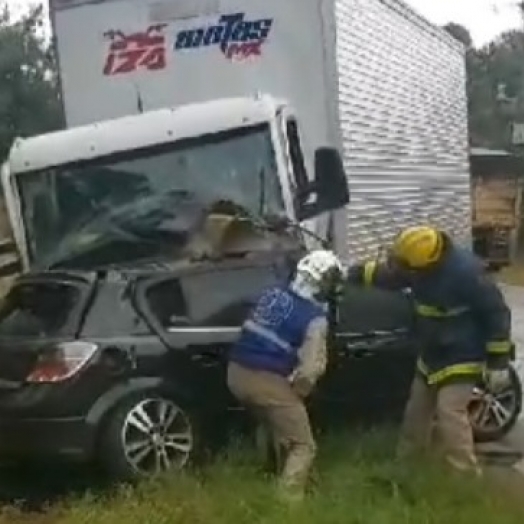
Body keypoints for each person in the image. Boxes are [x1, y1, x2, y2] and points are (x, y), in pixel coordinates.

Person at [345, 225, 513, 474]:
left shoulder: (467, 273)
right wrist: (354, 274)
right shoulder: (418, 263)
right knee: (416, 413)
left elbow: (496, 314)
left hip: (462, 354)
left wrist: (498, 363)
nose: (399, 267)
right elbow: (391, 276)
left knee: (450, 413)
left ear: (425, 265)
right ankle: (407, 466)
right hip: (432, 353)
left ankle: (464, 477)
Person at [227, 249, 345, 501]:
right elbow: (311, 368)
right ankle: (286, 502)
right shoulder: (314, 318)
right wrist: (299, 392)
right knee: (303, 445)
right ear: (325, 285)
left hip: (236, 373)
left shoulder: (272, 292)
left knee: (270, 422)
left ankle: (268, 472)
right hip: (266, 379)